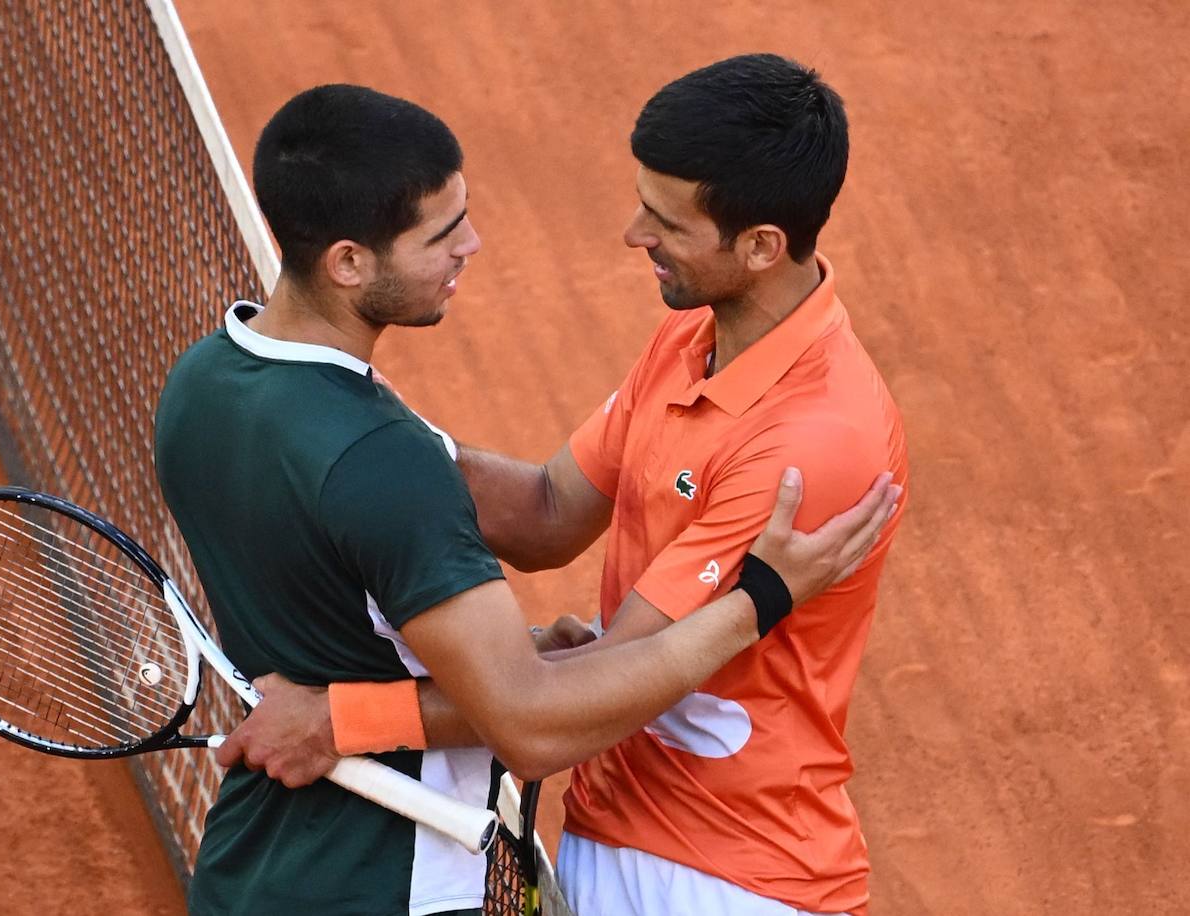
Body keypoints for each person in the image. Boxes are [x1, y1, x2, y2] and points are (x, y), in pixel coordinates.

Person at [154, 83, 900, 915]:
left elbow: (556, 600)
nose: (633, 233)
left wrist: (347, 714)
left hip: (733, 872)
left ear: (761, 245)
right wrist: (758, 599)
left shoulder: (205, 383)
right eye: (443, 234)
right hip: (542, 841)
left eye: (666, 220)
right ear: (350, 263)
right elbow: (538, 685)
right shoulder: (683, 342)